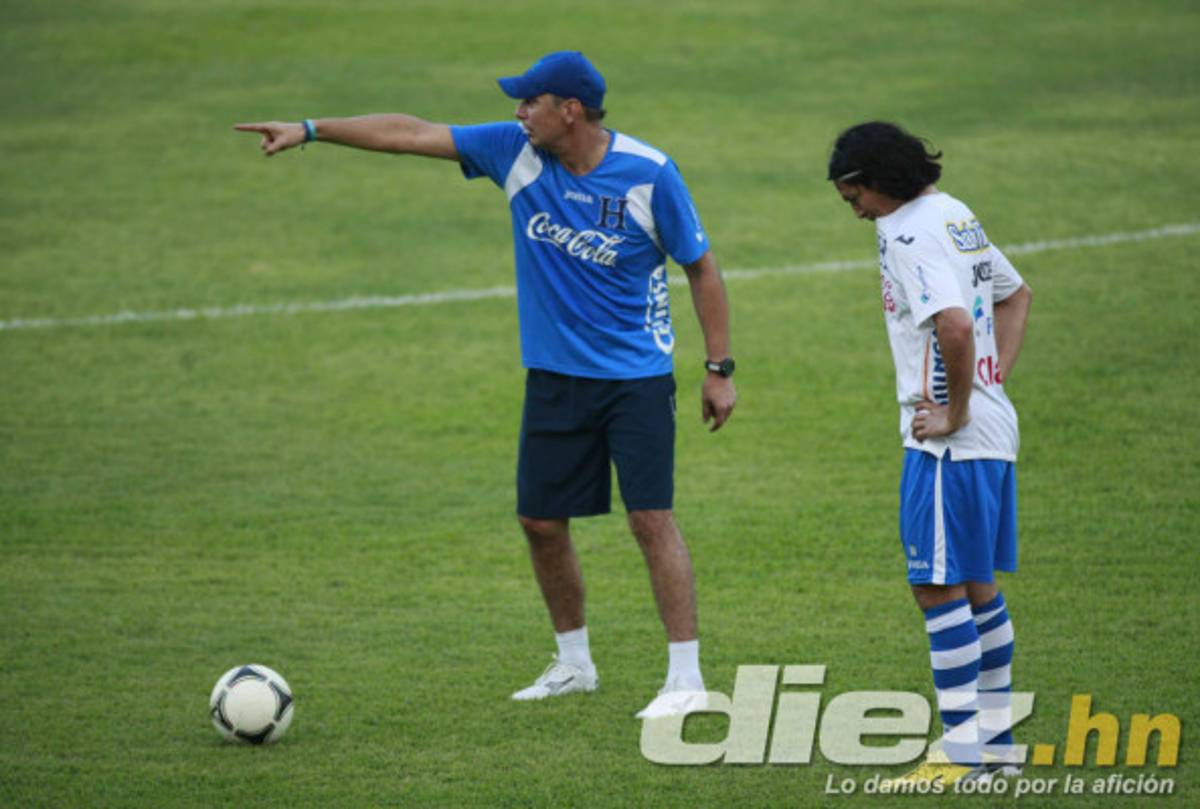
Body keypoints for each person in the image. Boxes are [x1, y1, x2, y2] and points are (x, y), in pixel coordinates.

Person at [235, 51, 736, 718]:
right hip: (556, 377)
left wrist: (718, 368)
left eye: (529, 101)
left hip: (634, 380)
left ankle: (685, 678)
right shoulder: (515, 150)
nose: (516, 112)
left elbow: (701, 267)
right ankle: (574, 663)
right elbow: (412, 133)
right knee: (539, 521)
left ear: (571, 111)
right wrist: (312, 128)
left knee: (650, 519)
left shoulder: (649, 174)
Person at [827, 122, 1033, 784]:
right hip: (991, 435)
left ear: (878, 179)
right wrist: (989, 382)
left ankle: (965, 754)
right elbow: (1015, 291)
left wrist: (958, 408)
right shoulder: (953, 211)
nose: (852, 208)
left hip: (952, 445)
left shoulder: (906, 232)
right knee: (974, 585)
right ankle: (995, 752)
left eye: (852, 193)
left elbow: (954, 321)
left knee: (936, 585)